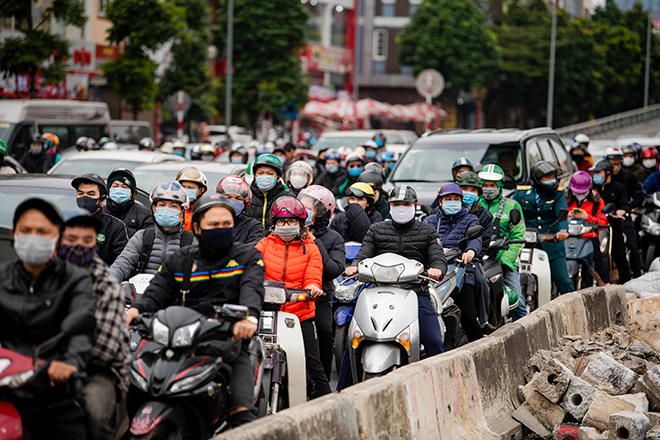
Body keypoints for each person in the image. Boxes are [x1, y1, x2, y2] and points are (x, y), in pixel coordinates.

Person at [126, 193, 265, 428]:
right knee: (135, 388)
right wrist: (135, 311)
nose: (220, 229)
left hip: (228, 339)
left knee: (243, 416)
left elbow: (252, 288)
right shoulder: (180, 259)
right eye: (213, 225)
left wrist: (249, 317)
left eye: (226, 224)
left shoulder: (248, 256)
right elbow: (157, 292)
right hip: (179, 338)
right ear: (198, 228)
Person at [0, 198, 95, 439]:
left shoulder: (75, 280)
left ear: (58, 237)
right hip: (6, 390)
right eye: (26, 230)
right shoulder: (1, 277)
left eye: (42, 231)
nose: (33, 236)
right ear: (14, 234)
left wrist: (70, 363)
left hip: (54, 394)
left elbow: (81, 328)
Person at [345, 185, 446, 355]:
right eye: (396, 204)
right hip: (379, 292)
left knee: (434, 341)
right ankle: (347, 383)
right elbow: (364, 253)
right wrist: (355, 267)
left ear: (415, 206)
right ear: (390, 207)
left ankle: (441, 382)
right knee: (355, 342)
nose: (401, 208)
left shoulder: (427, 232)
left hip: (415, 292)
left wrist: (436, 269)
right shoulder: (376, 229)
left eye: (406, 204)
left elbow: (438, 257)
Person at [59, 209, 130, 440]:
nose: (79, 245)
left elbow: (103, 348)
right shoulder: (40, 274)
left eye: (87, 240)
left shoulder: (106, 285)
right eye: (71, 239)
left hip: (97, 369)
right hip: (42, 360)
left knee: (94, 416)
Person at [255, 197, 331, 399]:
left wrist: (313, 287)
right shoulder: (264, 244)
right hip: (267, 313)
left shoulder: (311, 248)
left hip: (300, 315)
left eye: (291, 222)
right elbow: (252, 268)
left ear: (300, 224)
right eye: (281, 221)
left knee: (313, 363)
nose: (286, 226)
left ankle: (327, 404)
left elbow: (314, 274)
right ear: (274, 223)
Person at [424, 183, 484, 342]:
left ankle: (480, 347)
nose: (452, 201)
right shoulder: (430, 221)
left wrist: (471, 250)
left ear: (461, 201)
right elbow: (420, 241)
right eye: (448, 199)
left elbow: (476, 239)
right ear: (441, 202)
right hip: (433, 274)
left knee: (469, 318)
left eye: (456, 199)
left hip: (461, 272)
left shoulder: (470, 219)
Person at [297, 186, 345, 381]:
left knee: (324, 332)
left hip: (320, 296)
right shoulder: (290, 231)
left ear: (324, 212)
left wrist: (314, 241)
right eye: (302, 205)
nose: (305, 209)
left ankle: (322, 379)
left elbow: (334, 269)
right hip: (291, 294)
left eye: (311, 207)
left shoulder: (333, 238)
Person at [109, 182, 195, 281]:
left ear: (182, 212)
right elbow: (122, 264)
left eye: (173, 206)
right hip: (144, 294)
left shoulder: (192, 240)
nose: (167, 209)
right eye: (162, 205)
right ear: (154, 209)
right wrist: (107, 283)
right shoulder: (142, 236)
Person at [513, 161, 574, 294]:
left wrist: (562, 231)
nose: (551, 181)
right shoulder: (521, 193)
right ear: (536, 179)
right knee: (513, 278)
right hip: (526, 244)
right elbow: (512, 210)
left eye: (553, 177)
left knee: (563, 281)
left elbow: (562, 212)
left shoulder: (558, 194)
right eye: (547, 178)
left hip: (552, 244)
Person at [478, 164, 527, 321]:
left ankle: (525, 332)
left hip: (503, 261)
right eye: (485, 185)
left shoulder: (512, 206)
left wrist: (506, 260)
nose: (488, 188)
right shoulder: (474, 204)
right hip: (479, 260)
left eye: (492, 185)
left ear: (499, 186)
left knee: (517, 302)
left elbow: (518, 236)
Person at [454, 171, 494, 332]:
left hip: (471, 259)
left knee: (482, 280)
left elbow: (483, 244)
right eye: (464, 188)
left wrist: (471, 253)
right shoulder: (440, 212)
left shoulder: (484, 215)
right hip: (445, 257)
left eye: (472, 189)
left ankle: (483, 320)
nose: (467, 193)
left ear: (478, 193)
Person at [591, 160, 636, 283]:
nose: (595, 175)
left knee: (619, 253)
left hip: (612, 226)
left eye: (598, 172)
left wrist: (620, 212)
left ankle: (627, 282)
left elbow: (624, 205)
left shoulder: (619, 188)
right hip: (595, 226)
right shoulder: (593, 190)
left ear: (608, 172)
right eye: (594, 173)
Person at [73, 173, 129, 266]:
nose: (84, 197)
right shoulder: (66, 223)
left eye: (91, 194)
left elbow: (123, 261)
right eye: (81, 193)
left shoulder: (115, 226)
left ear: (102, 198)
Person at [565, 171, 610, 287]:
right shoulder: (565, 199)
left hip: (589, 238)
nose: (580, 195)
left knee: (601, 274)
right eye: (576, 192)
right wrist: (567, 216)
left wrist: (588, 217)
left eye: (583, 192)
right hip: (567, 238)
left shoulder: (597, 201)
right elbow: (556, 218)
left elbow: (603, 222)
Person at [606, 147, 643, 278]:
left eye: (618, 164)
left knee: (632, 245)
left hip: (622, 217)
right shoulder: (600, 181)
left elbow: (638, 195)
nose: (615, 167)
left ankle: (636, 274)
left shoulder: (628, 178)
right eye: (612, 164)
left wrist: (626, 208)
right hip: (605, 219)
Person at [245, 154, 294, 229]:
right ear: (254, 176)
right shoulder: (246, 197)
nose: (264, 177)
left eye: (270, 174)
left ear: (278, 178)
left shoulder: (288, 198)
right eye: (260, 173)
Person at [102, 168, 154, 238]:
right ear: (109, 190)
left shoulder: (145, 215)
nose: (119, 190)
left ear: (132, 193)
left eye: (124, 187)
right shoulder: (101, 213)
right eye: (115, 186)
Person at [216, 176, 266, 244]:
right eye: (228, 197)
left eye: (238, 199)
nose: (232, 201)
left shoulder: (253, 226)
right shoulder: (207, 221)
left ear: (245, 203)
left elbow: (254, 250)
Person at [176, 166, 209, 232]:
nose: (186, 190)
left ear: (201, 190)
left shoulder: (206, 210)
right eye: (183, 187)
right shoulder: (174, 206)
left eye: (190, 188)